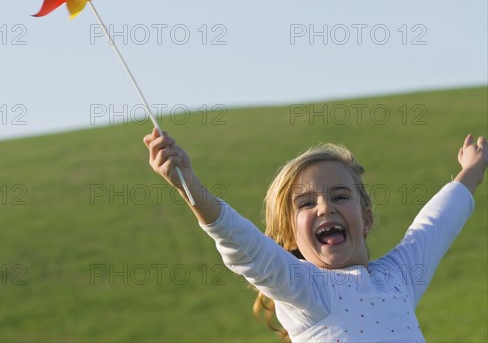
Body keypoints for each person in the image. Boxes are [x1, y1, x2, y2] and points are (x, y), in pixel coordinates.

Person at [143, 130, 487, 342]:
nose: (325, 208)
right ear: (291, 236)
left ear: (365, 219)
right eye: (306, 203)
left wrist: (471, 170)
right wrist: (188, 182)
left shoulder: (398, 278)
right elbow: (242, 244)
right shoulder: (304, 289)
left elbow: (436, 225)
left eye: (339, 196)